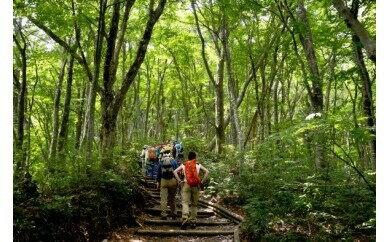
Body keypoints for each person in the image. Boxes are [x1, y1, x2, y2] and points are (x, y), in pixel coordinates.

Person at [174, 151, 209, 229]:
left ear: (188, 157)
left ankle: (185, 218)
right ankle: (193, 221)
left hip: (186, 184)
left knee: (185, 202)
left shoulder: (184, 164)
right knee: (194, 204)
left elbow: (175, 172)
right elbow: (207, 172)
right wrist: (202, 182)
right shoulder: (198, 164)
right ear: (195, 157)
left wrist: (180, 181)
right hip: (196, 185)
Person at [157, 147, 178, 220]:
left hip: (163, 181)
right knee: (172, 198)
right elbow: (176, 172)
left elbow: (159, 173)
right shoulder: (174, 161)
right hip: (172, 181)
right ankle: (174, 213)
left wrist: (158, 182)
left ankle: (163, 214)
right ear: (170, 153)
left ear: (163, 154)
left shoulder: (161, 162)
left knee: (163, 198)